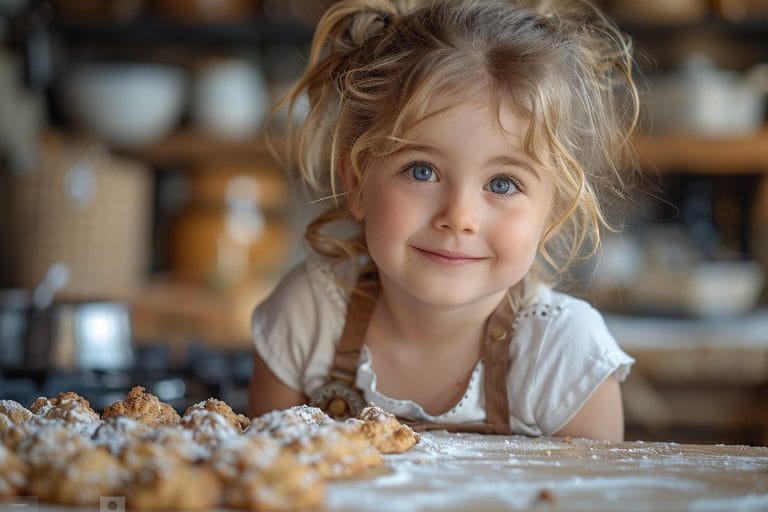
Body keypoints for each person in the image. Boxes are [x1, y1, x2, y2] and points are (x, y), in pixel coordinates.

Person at [248, 0, 641, 442]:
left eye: (504, 183)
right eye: (422, 170)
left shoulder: (565, 356)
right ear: (357, 183)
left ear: (554, 211)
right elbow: (264, 482)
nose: (459, 217)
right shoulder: (307, 318)